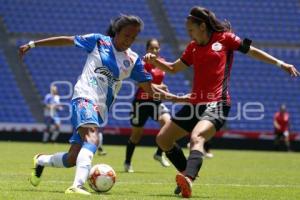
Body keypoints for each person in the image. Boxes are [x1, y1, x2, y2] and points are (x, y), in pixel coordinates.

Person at [19, 15, 189, 195]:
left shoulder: (132, 60)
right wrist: (33, 44)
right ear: (117, 31)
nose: (129, 40)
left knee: (72, 158)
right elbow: (67, 40)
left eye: (133, 37)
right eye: (126, 35)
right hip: (84, 97)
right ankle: (76, 186)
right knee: (92, 138)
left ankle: (40, 160)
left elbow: (150, 90)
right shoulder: (98, 41)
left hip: (100, 110)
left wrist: (178, 99)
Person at [144, 6, 299, 198]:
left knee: (197, 138)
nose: (188, 32)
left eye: (190, 29)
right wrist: (155, 61)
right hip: (195, 104)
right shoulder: (192, 47)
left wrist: (281, 64)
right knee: (163, 139)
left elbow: (252, 51)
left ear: (202, 26)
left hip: (218, 102)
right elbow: (174, 68)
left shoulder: (225, 38)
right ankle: (188, 172)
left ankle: (189, 179)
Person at [124, 39, 171, 173]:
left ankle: (159, 153)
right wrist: (160, 87)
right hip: (141, 102)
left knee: (168, 124)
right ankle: (127, 162)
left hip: (155, 101)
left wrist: (161, 91)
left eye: (156, 48)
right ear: (147, 50)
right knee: (136, 135)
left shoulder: (162, 63)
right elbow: (140, 83)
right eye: (152, 48)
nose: (154, 51)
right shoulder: (142, 63)